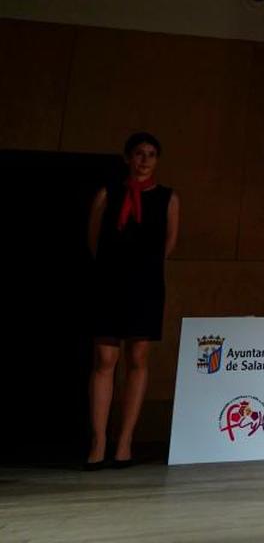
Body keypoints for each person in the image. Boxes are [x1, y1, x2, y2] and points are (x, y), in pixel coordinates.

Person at [85, 132, 179, 469]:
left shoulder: (168, 198)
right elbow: (94, 240)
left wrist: (145, 271)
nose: (145, 159)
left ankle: (124, 442)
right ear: (128, 157)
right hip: (109, 283)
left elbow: (168, 244)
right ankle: (98, 442)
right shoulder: (108, 194)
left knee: (138, 358)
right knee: (104, 358)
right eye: (139, 153)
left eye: (152, 154)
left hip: (146, 286)